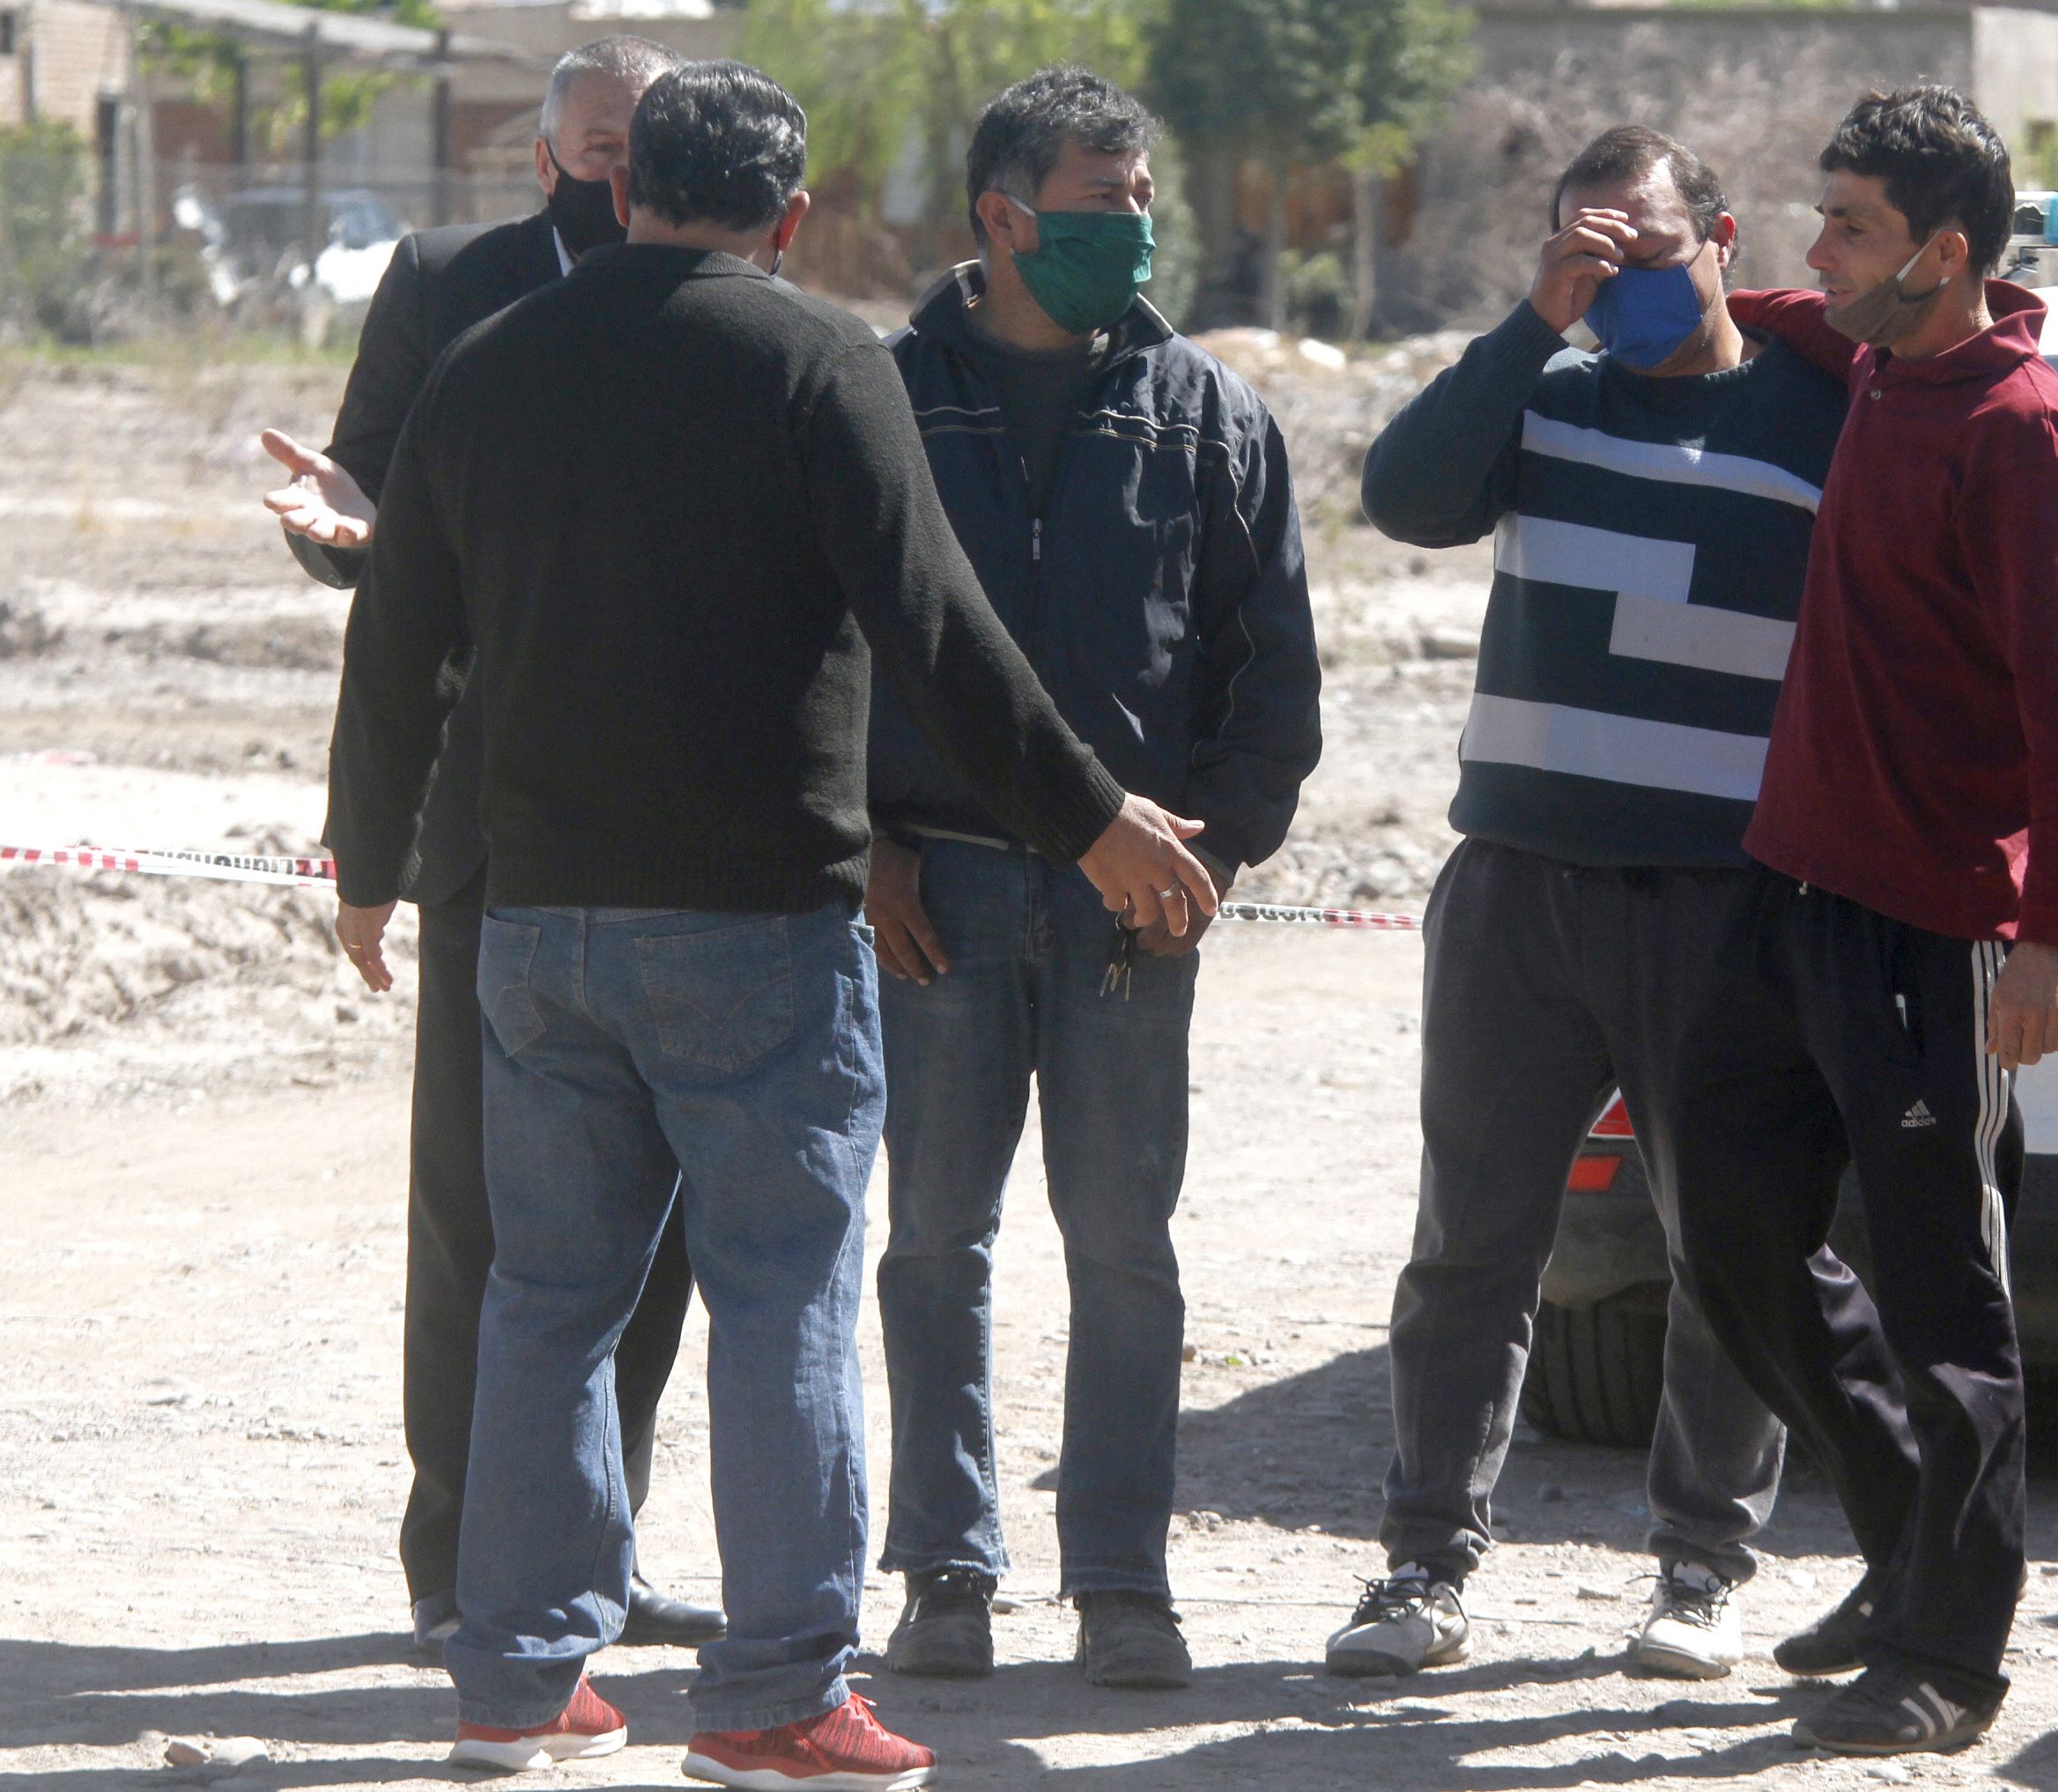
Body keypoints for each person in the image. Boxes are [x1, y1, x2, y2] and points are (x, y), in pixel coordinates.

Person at [324, 60, 1218, 1787]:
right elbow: (938, 630)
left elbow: (399, 638)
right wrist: (1092, 817)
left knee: (545, 1296)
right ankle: (776, 1694)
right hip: (755, 930)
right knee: (781, 1295)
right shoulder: (819, 362)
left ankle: (514, 1678)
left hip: (536, 923)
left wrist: (369, 863)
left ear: (624, 188)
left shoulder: (488, 363)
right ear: (791, 217)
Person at [1319, 127, 1854, 1684]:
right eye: (1584, 252)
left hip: (1725, 903)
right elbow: (1404, 498)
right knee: (1471, 1245)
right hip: (1521, 891)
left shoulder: (1821, 416)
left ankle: (1700, 1570)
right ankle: (1423, 1565)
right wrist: (1531, 322)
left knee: (1727, 1248)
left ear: (1724, 241)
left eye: (1644, 253)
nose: (1616, 285)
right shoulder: (1543, 393)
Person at [1664, 86, 2058, 1757]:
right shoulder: (1877, 360)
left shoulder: (2020, 429)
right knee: (1729, 1225)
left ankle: (1950, 1654)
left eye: (1850, 226)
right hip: (1792, 899)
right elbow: (1788, 313)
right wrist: (1677, 270)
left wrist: (2052, 936)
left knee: (1950, 1309)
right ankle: (1901, 1539)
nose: (1821, 252)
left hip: (1937, 939)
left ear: (1942, 252)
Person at [257, 34, 723, 1656]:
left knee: (652, 1229)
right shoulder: (451, 283)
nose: (625, 174)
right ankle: (458, 1555)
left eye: (647, 147)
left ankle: (601, 1540)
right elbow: (370, 513)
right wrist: (343, 532)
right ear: (545, 159)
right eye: (600, 149)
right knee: (475, 1214)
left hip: (678, 830)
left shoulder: (727, 295)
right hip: (486, 824)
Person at [862, 66, 1321, 1692]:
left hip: (1134, 914)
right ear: (1002, 216)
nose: (1135, 229)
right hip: (936, 900)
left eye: (1142, 200)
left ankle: (1124, 1581)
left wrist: (1217, 854)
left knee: (1125, 1247)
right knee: (933, 1239)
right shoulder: (886, 400)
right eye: (1101, 203)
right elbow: (809, 645)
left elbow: (1273, 673)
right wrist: (866, 845)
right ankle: (946, 1573)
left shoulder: (1208, 414)